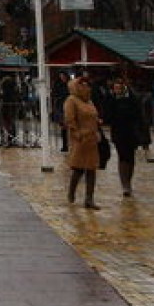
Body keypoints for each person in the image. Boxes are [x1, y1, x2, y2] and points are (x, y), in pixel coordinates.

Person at [102, 74, 150, 197]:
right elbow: (107, 115)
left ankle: (129, 181)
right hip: (118, 133)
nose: (117, 90)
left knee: (131, 158)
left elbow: (139, 115)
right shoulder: (111, 99)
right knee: (122, 157)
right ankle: (125, 185)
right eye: (115, 88)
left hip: (131, 132)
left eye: (119, 88)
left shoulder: (132, 99)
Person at [64, 76, 103, 209]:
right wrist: (76, 133)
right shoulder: (72, 100)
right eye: (82, 84)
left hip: (91, 139)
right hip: (81, 139)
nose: (86, 87)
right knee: (79, 168)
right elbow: (70, 119)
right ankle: (71, 192)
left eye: (87, 84)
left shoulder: (89, 101)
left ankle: (89, 198)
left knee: (91, 169)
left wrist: (97, 125)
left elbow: (94, 116)